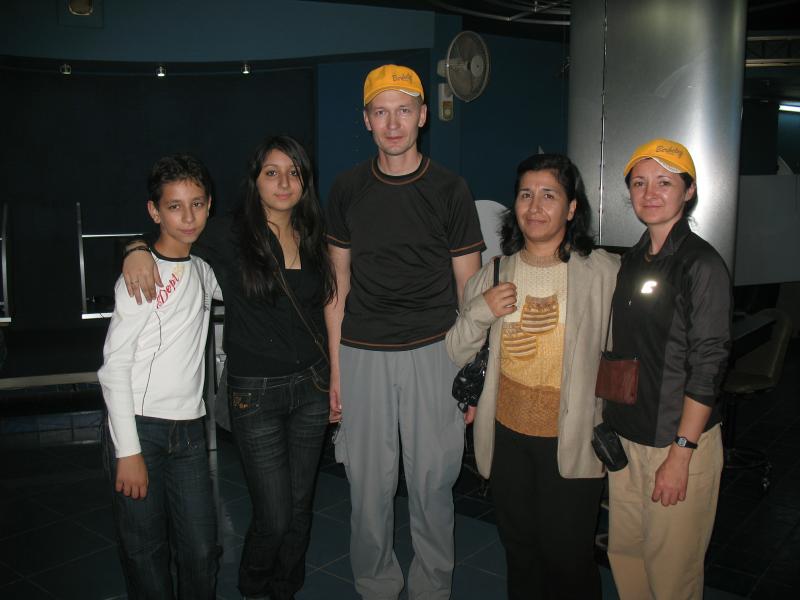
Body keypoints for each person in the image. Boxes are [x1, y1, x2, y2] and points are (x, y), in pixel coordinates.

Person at [122, 136, 336, 600]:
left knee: (301, 510)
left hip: (313, 388)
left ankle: (286, 588)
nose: (283, 182)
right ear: (254, 180)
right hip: (255, 393)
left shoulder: (316, 233)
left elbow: (332, 308)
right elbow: (171, 233)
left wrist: (337, 378)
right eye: (271, 172)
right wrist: (133, 248)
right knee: (275, 514)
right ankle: (256, 586)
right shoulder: (228, 233)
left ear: (306, 180)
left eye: (293, 172)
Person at [325, 64, 484, 599]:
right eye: (380, 111)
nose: (393, 123)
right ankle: (375, 585)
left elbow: (470, 291)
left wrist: (473, 372)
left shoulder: (450, 190)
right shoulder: (347, 189)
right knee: (368, 487)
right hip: (363, 352)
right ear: (366, 120)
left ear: (422, 116)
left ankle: (432, 587)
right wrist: (336, 371)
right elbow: (337, 286)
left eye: (403, 110)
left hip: (434, 352)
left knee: (432, 485)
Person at [446, 154, 620, 600]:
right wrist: (482, 310)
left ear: (571, 208)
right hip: (508, 439)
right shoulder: (492, 273)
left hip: (572, 438)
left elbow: (623, 351)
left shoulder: (602, 273)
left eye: (549, 195)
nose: (535, 206)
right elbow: (456, 349)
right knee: (519, 552)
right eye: (526, 194)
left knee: (569, 558)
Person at [603, 139, 731, 599]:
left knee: (672, 575)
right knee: (627, 559)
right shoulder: (633, 260)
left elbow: (708, 364)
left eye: (664, 182)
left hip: (676, 442)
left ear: (688, 191)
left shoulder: (701, 264)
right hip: (628, 439)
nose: (649, 192)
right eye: (639, 183)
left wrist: (681, 453)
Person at [99, 153, 221, 599]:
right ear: (155, 211)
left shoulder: (205, 270)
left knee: (203, 550)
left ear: (210, 205)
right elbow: (113, 366)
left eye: (198, 203)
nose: (188, 217)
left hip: (189, 431)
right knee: (145, 553)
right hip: (140, 430)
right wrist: (127, 451)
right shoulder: (140, 274)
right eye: (174, 206)